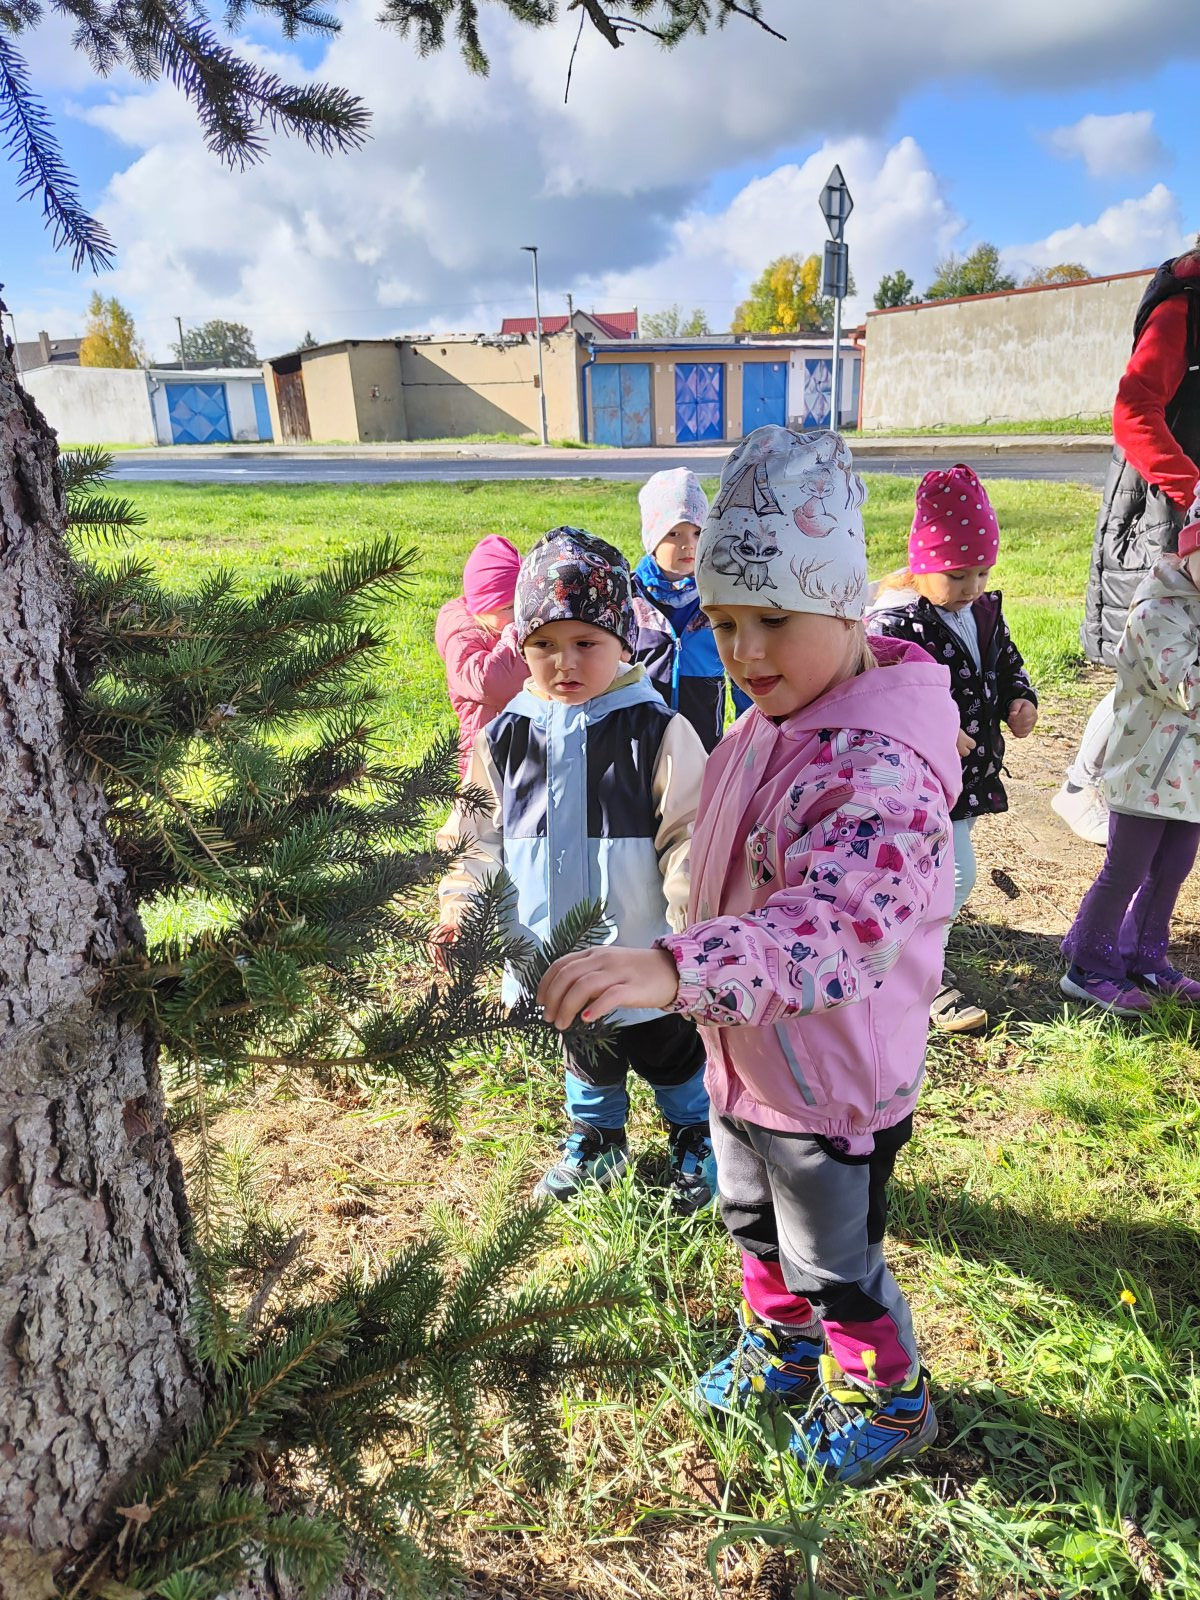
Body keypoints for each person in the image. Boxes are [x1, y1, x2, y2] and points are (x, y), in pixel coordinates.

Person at [537, 427, 962, 1487]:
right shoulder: (769, 723)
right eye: (725, 622)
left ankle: (888, 1398)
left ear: (847, 609)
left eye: (774, 619)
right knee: (751, 1223)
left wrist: (676, 970)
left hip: (831, 1086)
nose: (744, 650)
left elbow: (835, 925)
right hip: (743, 1058)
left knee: (835, 1262)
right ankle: (782, 1346)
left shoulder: (879, 769)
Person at [436, 526, 716, 1212]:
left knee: (668, 1047)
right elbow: (478, 836)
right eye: (544, 645)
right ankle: (598, 1139)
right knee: (585, 1050)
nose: (564, 662)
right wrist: (462, 907)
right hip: (550, 949)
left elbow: (691, 836)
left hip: (642, 950)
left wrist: (691, 928)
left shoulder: (656, 731)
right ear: (520, 646)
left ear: (623, 641)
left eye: (586, 642)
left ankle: (696, 1134)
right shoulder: (506, 737)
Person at [867, 465, 1038, 1032]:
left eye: (983, 572)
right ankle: (912, 972)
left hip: (964, 774)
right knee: (950, 875)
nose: (972, 587)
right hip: (918, 775)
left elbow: (1006, 663)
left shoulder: (981, 613)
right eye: (957, 574)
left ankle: (909, 957)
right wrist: (937, 730)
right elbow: (884, 692)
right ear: (921, 564)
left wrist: (1020, 698)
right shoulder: (897, 621)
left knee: (945, 876)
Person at [1055, 249, 1200, 845]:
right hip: (1165, 511)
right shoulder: (1184, 308)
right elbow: (1133, 412)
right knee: (1145, 663)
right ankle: (1078, 787)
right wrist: (1194, 489)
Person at [1060, 493, 1200, 1014]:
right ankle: (1089, 965)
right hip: (1146, 770)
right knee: (1127, 870)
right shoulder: (1157, 611)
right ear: (1188, 551)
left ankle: (1144, 955)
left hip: (1189, 777)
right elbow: (1185, 687)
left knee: (1173, 868)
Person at [631, 467, 749, 750]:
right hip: (640, 743)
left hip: (702, 742)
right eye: (673, 533)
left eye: (698, 533)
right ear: (652, 538)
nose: (688, 544)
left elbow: (743, 673)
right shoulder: (631, 598)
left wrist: (749, 732)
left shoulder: (717, 599)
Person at [435, 534, 528, 778]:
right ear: (482, 607)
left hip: (519, 746)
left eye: (521, 606)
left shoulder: (497, 624)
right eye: (508, 608)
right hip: (485, 754)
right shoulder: (462, 637)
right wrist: (511, 637)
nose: (517, 616)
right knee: (486, 802)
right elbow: (489, 681)